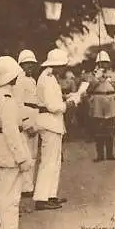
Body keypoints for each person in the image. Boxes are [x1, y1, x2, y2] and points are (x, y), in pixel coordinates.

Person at [0, 56, 33, 229]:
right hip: (10, 151)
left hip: (0, 147)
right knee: (11, 195)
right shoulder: (7, 98)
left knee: (5, 193)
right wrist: (21, 157)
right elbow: (11, 131)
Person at [33, 49, 77, 210]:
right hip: (49, 122)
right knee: (49, 162)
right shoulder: (48, 78)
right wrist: (68, 105)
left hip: (53, 123)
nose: (64, 69)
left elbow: (51, 99)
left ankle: (50, 195)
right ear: (57, 65)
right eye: (63, 65)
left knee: (55, 162)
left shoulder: (49, 77)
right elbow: (52, 106)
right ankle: (41, 199)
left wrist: (65, 98)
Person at [86, 51, 115, 161]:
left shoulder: (114, 75)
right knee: (99, 129)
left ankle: (110, 154)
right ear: (97, 63)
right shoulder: (93, 75)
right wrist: (97, 78)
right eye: (101, 62)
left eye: (106, 62)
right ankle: (100, 155)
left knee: (110, 129)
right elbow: (88, 89)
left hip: (111, 101)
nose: (104, 65)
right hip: (98, 102)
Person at [14, 49, 40, 198]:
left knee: (33, 154)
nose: (30, 66)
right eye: (27, 63)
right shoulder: (19, 80)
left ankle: (29, 186)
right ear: (21, 65)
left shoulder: (32, 80)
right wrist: (25, 123)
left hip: (34, 114)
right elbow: (18, 104)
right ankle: (25, 187)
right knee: (26, 153)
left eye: (32, 63)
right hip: (25, 116)